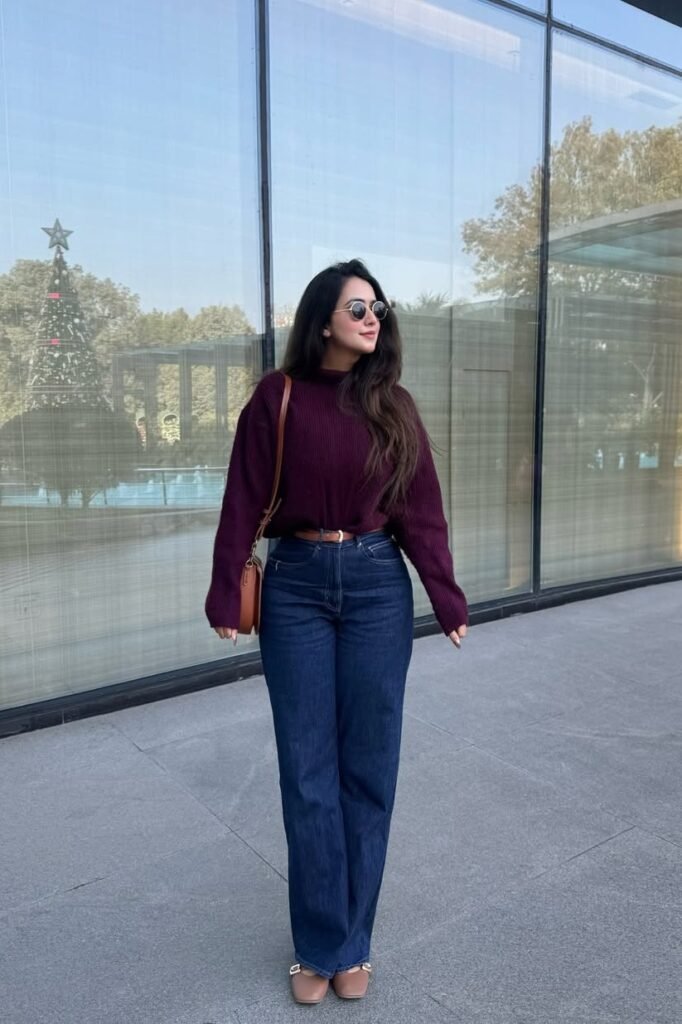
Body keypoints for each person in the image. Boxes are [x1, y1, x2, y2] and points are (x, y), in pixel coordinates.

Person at [205, 258, 468, 1005]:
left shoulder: (395, 406)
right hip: (295, 591)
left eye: (378, 307)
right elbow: (242, 498)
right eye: (358, 305)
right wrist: (228, 589)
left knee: (369, 772)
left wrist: (444, 596)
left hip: (380, 589)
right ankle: (320, 945)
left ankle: (353, 943)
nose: (372, 316)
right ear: (323, 318)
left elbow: (421, 509)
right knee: (308, 772)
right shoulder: (276, 398)